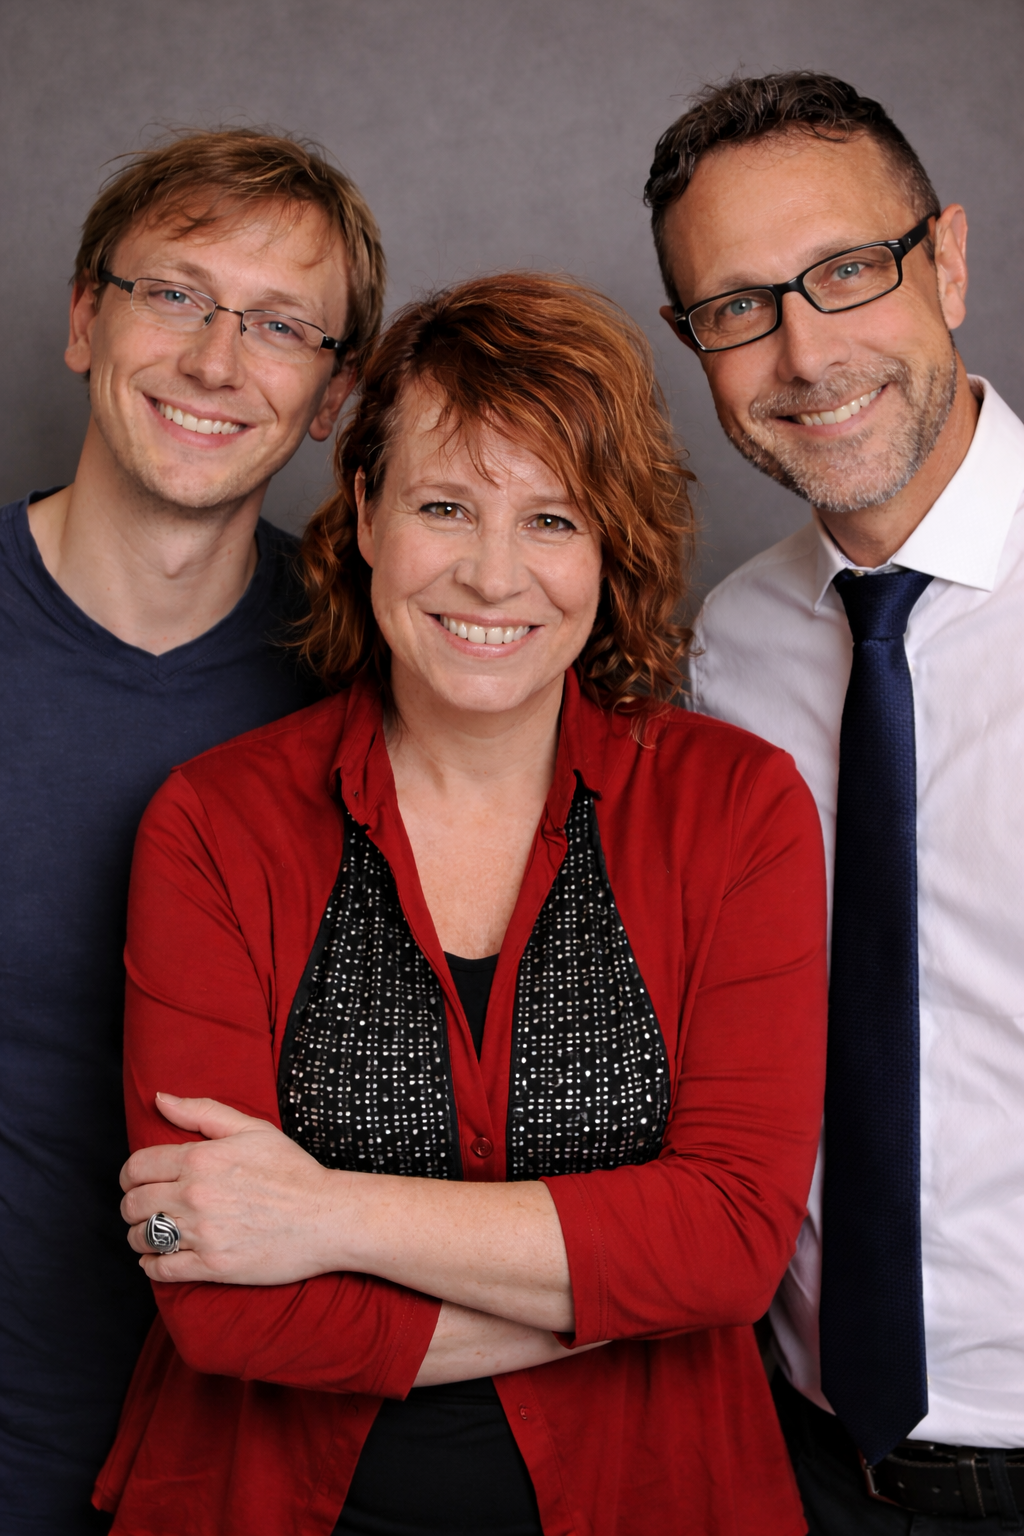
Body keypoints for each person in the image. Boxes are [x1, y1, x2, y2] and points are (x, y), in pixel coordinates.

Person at [97, 273, 828, 1536]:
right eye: (445, 506)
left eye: (551, 519)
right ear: (365, 514)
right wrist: (621, 1289)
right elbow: (215, 1300)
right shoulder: (215, 823)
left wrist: (325, 1216)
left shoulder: (735, 807)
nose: (494, 576)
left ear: (609, 545)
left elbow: (728, 1248)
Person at [648, 69, 1024, 1533]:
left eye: (849, 270)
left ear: (949, 262)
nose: (804, 351)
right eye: (738, 307)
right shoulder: (728, 648)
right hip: (799, 1457)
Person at [0, 127, 385, 1535]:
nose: (217, 361)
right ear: (84, 320)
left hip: (266, 1466)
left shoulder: (381, 685)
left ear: (333, 397)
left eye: (279, 324)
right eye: (175, 294)